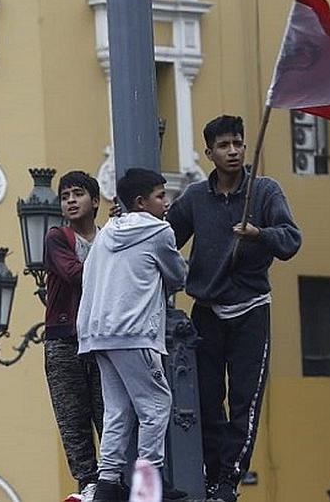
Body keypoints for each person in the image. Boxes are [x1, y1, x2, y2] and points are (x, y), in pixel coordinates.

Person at [166, 114, 302, 502]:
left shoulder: (265, 192)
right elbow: (165, 235)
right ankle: (211, 473)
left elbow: (291, 240)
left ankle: (229, 479)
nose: (233, 151)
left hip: (251, 310)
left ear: (246, 147)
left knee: (245, 400)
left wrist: (260, 233)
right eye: (224, 146)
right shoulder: (195, 197)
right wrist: (133, 223)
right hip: (207, 309)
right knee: (206, 399)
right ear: (209, 153)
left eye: (238, 144)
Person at [77, 168, 190, 502]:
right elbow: (177, 275)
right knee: (156, 405)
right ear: (141, 202)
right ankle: (148, 483)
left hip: (97, 333)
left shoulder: (108, 231)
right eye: (160, 195)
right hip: (133, 332)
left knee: (117, 410)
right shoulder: (159, 231)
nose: (166, 202)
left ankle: (108, 483)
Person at [43, 170, 106, 502]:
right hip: (64, 340)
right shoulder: (57, 238)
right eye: (65, 196)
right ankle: (88, 481)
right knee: (73, 416)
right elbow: (73, 274)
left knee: (107, 411)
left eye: (78, 194)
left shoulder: (108, 236)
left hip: (101, 339)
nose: (70, 200)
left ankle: (111, 477)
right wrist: (113, 260)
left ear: (95, 201)